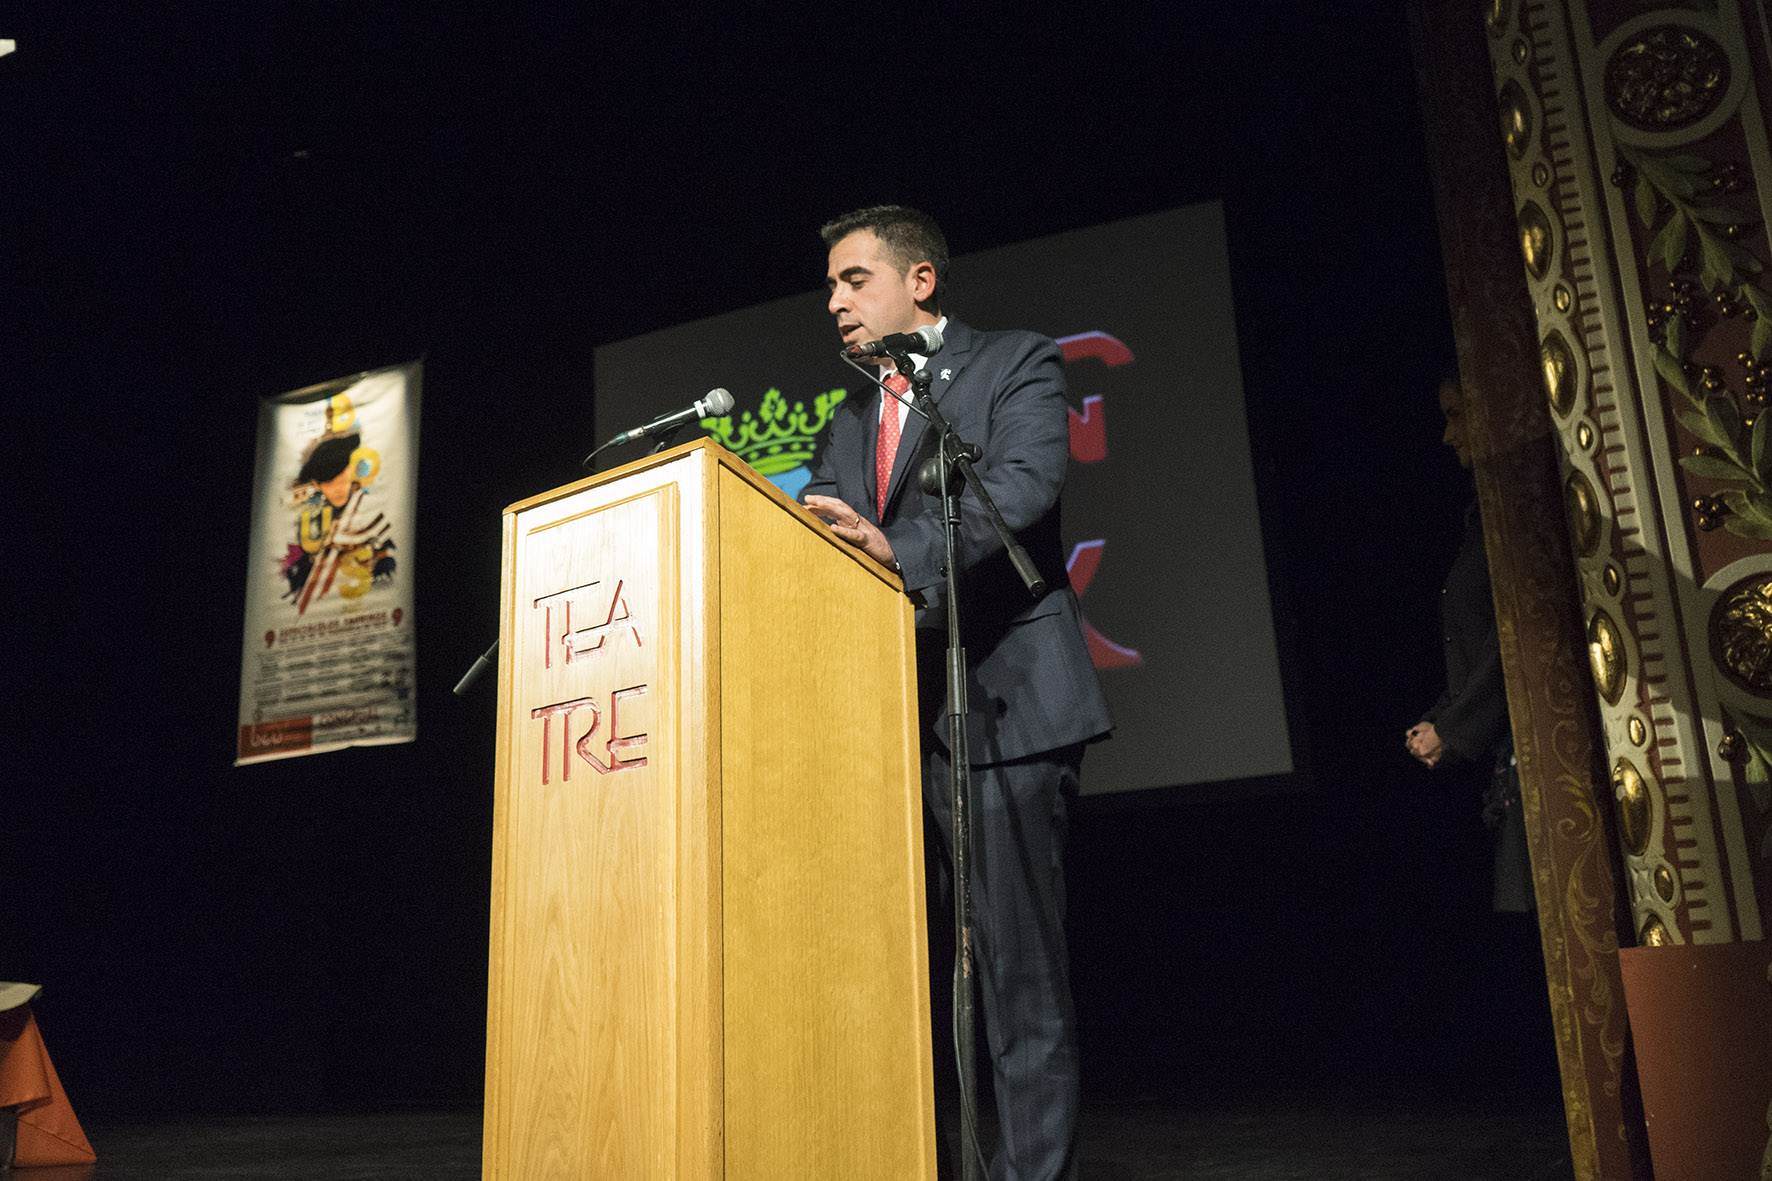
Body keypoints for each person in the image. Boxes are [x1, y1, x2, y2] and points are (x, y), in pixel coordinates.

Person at [802, 205, 1112, 1181]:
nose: (835, 302)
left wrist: (899, 548)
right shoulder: (845, 424)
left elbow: (1019, 490)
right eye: (830, 287)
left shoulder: (1013, 364)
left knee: (1016, 985)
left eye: (854, 279)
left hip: (1005, 710)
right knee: (897, 988)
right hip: (888, 731)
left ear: (919, 280)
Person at [1405, 377, 1532, 912]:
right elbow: (1480, 644)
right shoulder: (1483, 520)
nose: (1447, 435)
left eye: (1458, 415)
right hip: (1511, 763)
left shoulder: (1522, 511)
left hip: (1538, 758)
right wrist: (1442, 717)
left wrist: (1454, 730)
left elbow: (1522, 639)